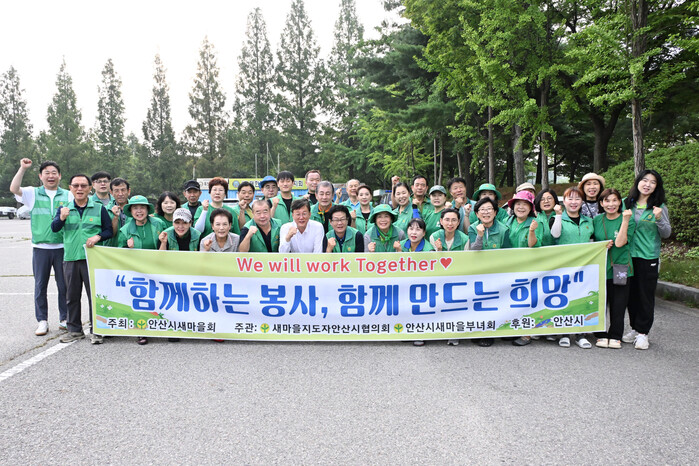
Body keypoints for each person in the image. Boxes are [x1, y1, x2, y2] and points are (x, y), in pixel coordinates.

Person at [10, 158, 71, 336]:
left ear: (59, 176)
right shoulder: (33, 193)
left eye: (54, 173)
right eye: (47, 173)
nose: (51, 176)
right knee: (40, 286)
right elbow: (14, 188)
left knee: (64, 286)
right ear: (40, 176)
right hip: (41, 248)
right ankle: (42, 321)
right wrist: (22, 168)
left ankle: (64, 319)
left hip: (62, 247)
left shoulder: (68, 195)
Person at [51, 174, 113, 344]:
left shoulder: (98, 208)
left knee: (95, 296)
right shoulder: (64, 209)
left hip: (92, 259)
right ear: (70, 188)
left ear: (89, 188)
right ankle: (74, 330)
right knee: (71, 296)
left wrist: (98, 236)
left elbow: (109, 230)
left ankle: (97, 330)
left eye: (83, 186)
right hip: (71, 258)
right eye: (76, 185)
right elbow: (54, 228)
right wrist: (61, 218)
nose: (79, 189)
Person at [622, 170, 671, 350]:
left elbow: (666, 233)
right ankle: (635, 328)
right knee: (631, 295)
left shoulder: (659, 207)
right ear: (638, 182)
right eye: (644, 180)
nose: (647, 184)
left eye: (652, 182)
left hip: (647, 256)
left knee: (645, 295)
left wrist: (659, 219)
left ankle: (643, 333)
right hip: (627, 256)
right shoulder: (626, 203)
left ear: (657, 187)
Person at [117, 196, 165, 346]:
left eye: (142, 207)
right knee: (140, 300)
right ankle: (141, 331)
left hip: (157, 268)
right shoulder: (125, 230)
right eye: (135, 208)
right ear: (130, 211)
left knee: (160, 298)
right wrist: (127, 248)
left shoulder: (158, 224)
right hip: (136, 272)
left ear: (147, 209)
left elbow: (166, 243)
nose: (139, 211)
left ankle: (163, 326)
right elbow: (118, 254)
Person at [550, 187, 594, 349]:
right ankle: (564, 333)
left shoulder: (588, 221)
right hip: (563, 267)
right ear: (564, 201)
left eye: (577, 199)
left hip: (584, 268)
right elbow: (555, 234)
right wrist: (558, 215)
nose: (574, 202)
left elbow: (592, 242)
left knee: (581, 299)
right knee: (565, 299)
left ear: (582, 201)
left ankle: (580, 334)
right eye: (570, 198)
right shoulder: (557, 218)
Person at [593, 188, 635, 349]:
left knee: (619, 303)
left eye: (614, 200)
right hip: (601, 268)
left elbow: (620, 242)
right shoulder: (597, 220)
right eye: (607, 201)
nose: (611, 204)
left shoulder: (628, 219)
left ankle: (616, 335)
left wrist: (625, 220)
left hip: (621, 267)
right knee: (600, 302)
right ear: (601, 203)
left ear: (620, 202)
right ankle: (601, 334)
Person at [504, 191, 541, 347]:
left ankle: (526, 334)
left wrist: (531, 231)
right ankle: (513, 328)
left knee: (527, 300)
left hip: (528, 267)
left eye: (525, 204)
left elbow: (533, 244)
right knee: (512, 300)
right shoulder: (507, 221)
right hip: (508, 267)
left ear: (531, 207)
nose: (520, 207)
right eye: (518, 204)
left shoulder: (536, 222)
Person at [103, 177, 131, 247]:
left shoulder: (136, 209)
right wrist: (115, 217)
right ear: (111, 192)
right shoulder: (105, 210)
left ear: (128, 191)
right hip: (112, 249)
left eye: (123, 190)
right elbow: (109, 234)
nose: (120, 194)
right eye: (116, 191)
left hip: (132, 248)